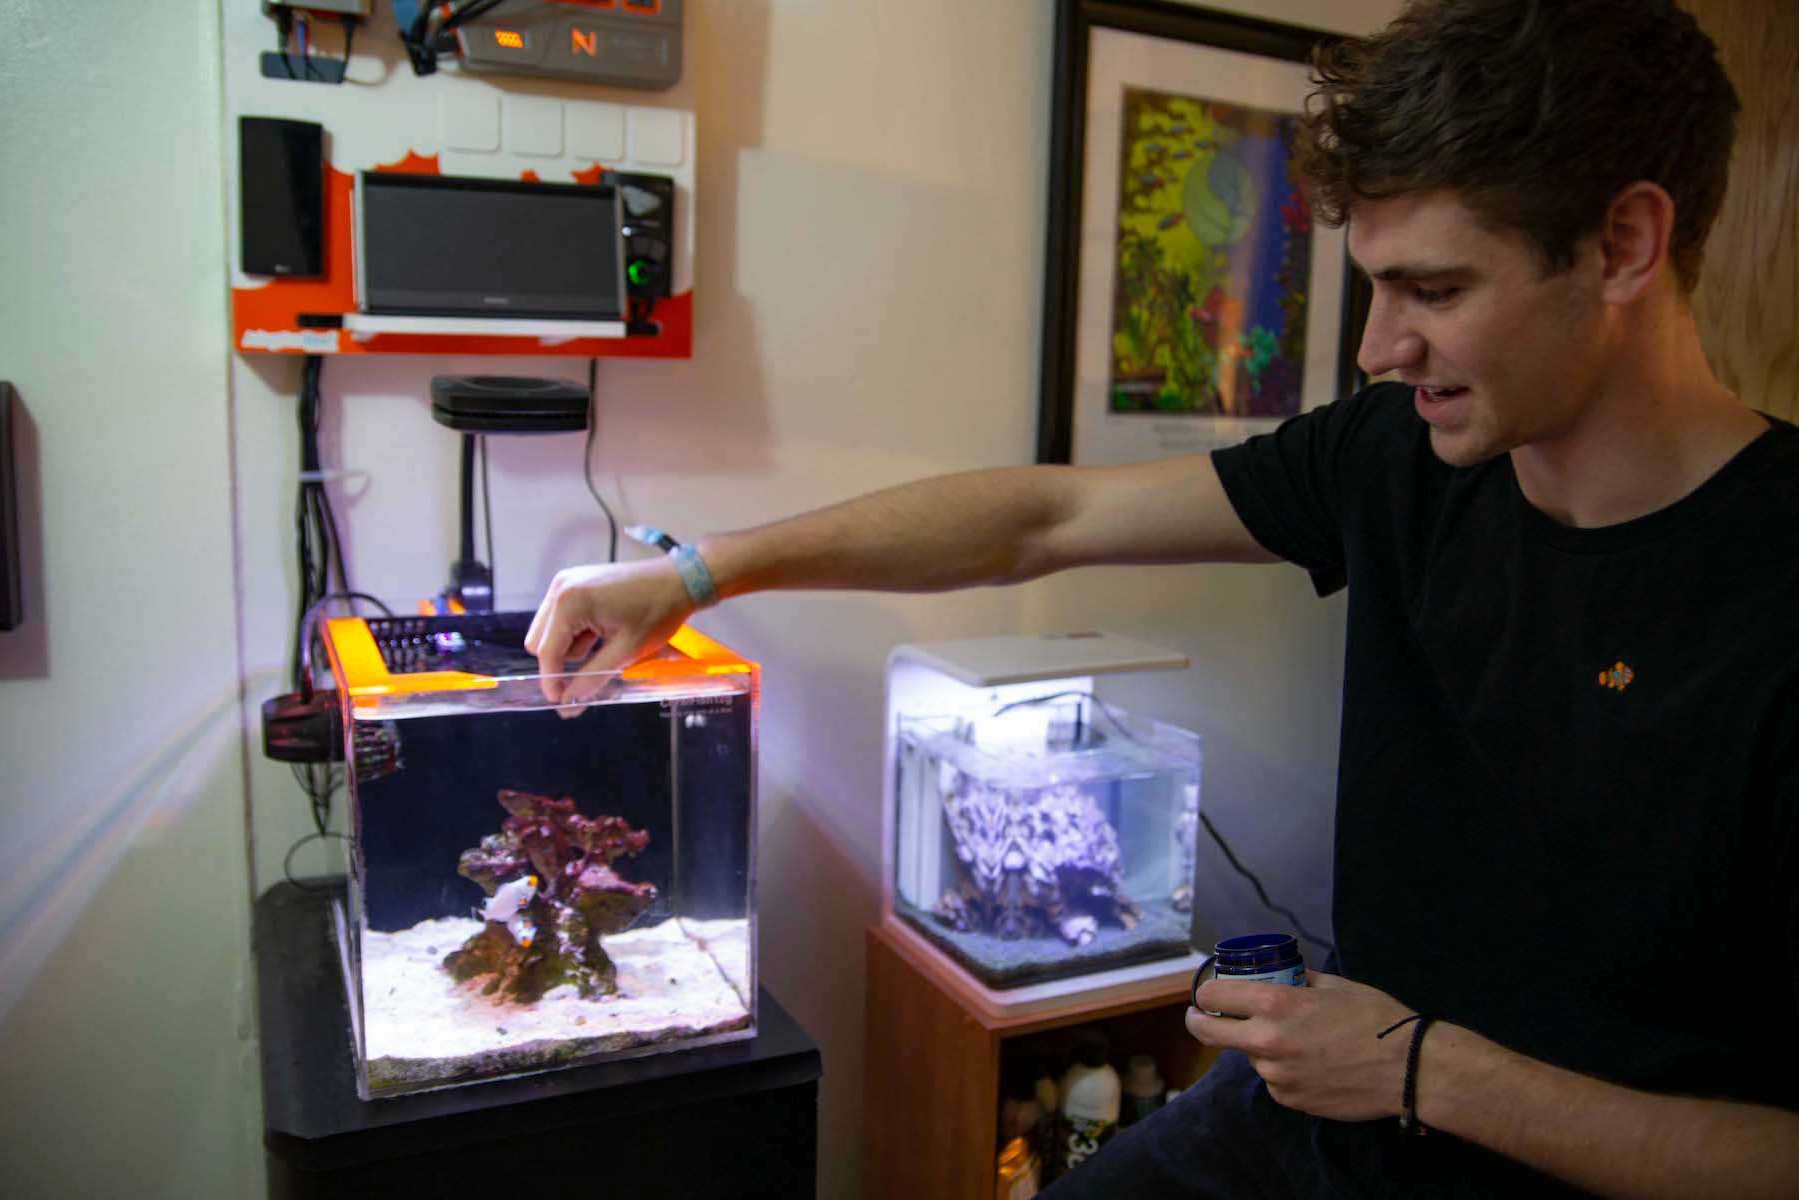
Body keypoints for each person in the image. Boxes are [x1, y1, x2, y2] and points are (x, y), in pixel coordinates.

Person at [526, 0, 1799, 1193]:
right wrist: (697, 570)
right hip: (1333, 1115)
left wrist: (1423, 1069)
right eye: (1373, 283)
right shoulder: (1393, 457)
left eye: (1437, 289)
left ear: (1624, 244)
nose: (1375, 347)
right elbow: (1047, 517)